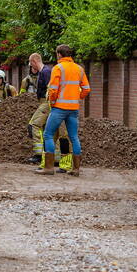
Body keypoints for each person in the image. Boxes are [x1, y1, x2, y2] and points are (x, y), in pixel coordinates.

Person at [36, 44, 90, 176]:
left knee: (48, 134)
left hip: (59, 108)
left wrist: (53, 101)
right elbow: (86, 89)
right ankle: (76, 169)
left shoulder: (58, 68)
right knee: (74, 137)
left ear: (59, 54)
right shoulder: (79, 68)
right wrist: (77, 98)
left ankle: (49, 167)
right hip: (73, 109)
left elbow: (53, 89)